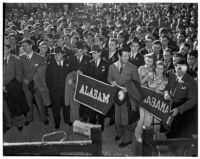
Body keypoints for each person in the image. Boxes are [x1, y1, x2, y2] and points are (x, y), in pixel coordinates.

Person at [108, 46, 142, 147]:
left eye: (128, 55)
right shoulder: (112, 66)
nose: (127, 58)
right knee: (117, 117)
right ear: (119, 56)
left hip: (129, 98)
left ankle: (127, 140)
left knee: (128, 119)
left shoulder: (133, 67)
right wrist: (111, 82)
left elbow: (137, 83)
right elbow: (109, 78)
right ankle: (119, 133)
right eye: (124, 56)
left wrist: (128, 88)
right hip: (117, 97)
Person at [164, 60, 197, 138]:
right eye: (177, 67)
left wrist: (178, 109)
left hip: (185, 113)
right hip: (171, 110)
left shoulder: (191, 81)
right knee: (170, 135)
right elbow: (167, 88)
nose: (179, 69)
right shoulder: (172, 76)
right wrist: (166, 94)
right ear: (175, 67)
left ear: (186, 68)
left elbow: (193, 100)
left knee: (182, 138)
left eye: (182, 68)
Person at [20, 39, 49, 126]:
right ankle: (29, 118)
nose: (24, 48)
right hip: (26, 84)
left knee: (39, 102)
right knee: (28, 102)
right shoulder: (21, 57)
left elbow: (43, 72)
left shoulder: (39, 57)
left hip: (37, 84)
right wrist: (23, 79)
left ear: (31, 46)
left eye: (26, 46)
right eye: (23, 46)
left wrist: (35, 80)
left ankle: (44, 118)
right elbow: (19, 71)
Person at [3, 44, 29, 131]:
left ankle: (19, 123)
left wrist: (8, 87)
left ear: (9, 49)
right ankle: (9, 122)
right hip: (2, 88)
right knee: (5, 107)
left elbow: (18, 76)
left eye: (5, 49)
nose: (3, 51)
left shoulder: (16, 59)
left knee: (17, 106)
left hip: (13, 88)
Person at [46, 46, 72, 129]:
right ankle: (57, 122)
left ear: (63, 55)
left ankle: (67, 120)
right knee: (55, 108)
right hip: (55, 92)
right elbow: (48, 79)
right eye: (55, 54)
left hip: (65, 91)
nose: (57, 56)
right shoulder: (50, 65)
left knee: (66, 106)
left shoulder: (68, 63)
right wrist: (52, 90)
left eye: (59, 54)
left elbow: (71, 75)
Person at [87, 45, 109, 131]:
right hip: (92, 91)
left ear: (100, 53)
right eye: (92, 53)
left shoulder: (106, 64)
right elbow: (87, 77)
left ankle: (101, 124)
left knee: (100, 109)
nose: (93, 55)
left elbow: (107, 78)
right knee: (91, 108)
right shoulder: (90, 63)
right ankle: (92, 123)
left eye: (95, 53)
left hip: (101, 91)